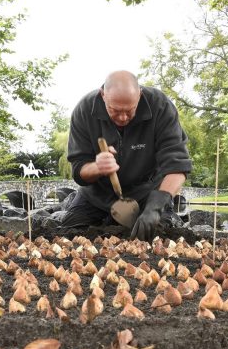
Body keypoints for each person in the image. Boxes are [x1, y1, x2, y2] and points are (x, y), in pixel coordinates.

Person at [63, 70, 192, 241]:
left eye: (130, 110)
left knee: (159, 236)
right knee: (69, 235)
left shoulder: (161, 106)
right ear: (103, 95)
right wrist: (96, 167)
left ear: (140, 95)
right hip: (97, 194)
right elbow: (79, 171)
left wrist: (156, 206)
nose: (123, 117)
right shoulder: (84, 110)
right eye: (115, 110)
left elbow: (177, 166)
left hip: (148, 192)